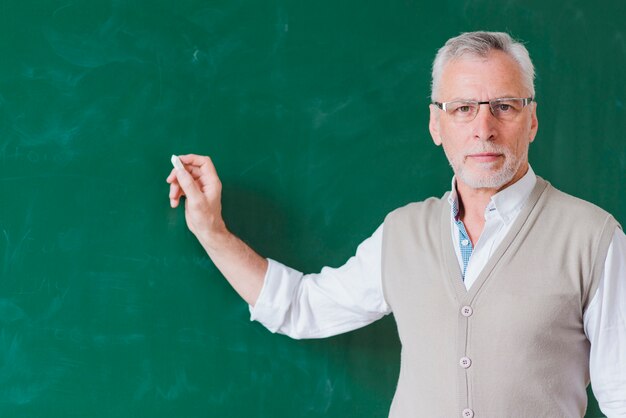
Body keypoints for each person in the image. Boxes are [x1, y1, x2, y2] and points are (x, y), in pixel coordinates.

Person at [166, 31, 626, 418]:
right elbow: (302, 307)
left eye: (504, 106)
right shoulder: (403, 232)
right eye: (462, 108)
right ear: (435, 124)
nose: (483, 128)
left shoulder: (593, 238)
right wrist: (212, 230)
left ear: (532, 120)